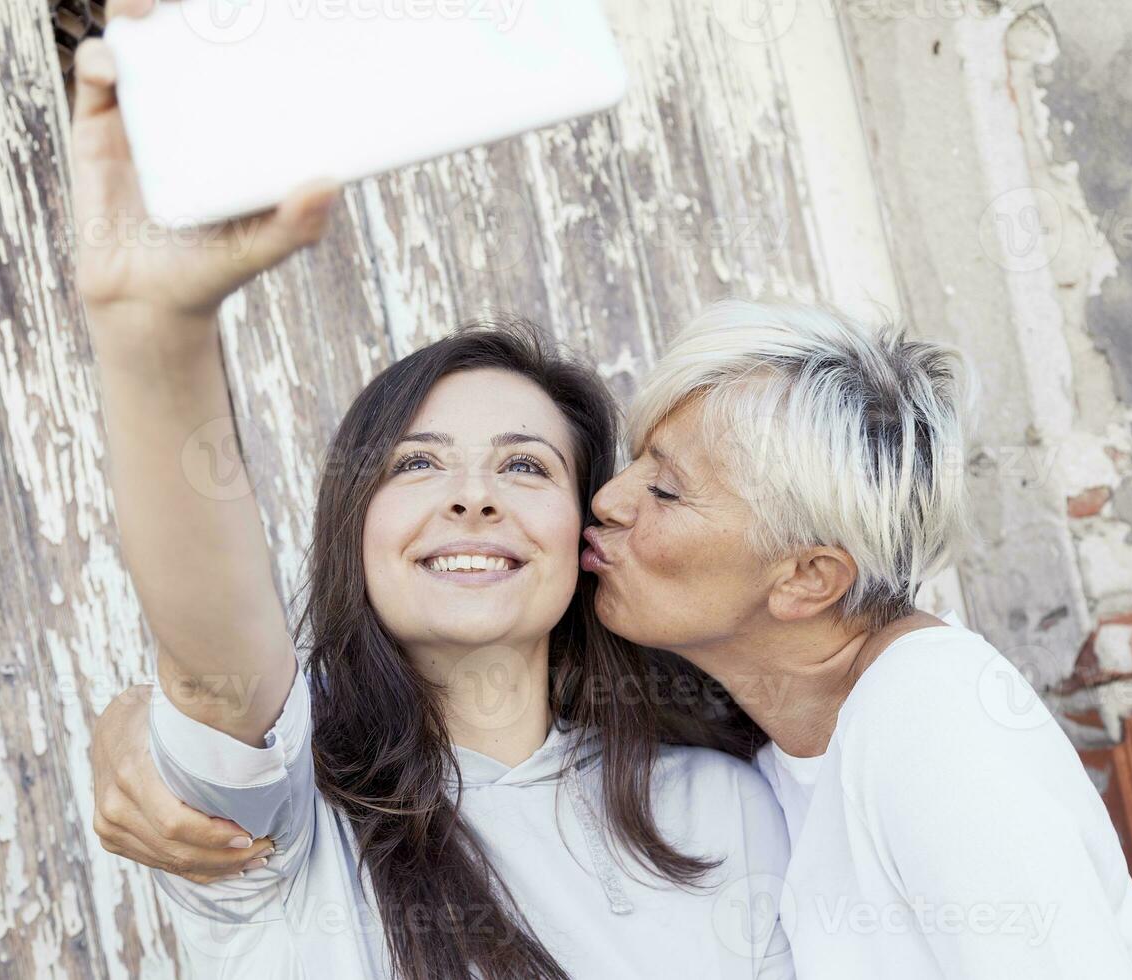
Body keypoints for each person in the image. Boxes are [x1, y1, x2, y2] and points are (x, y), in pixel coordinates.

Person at [71, 6, 792, 978]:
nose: (473, 498)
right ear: (352, 530)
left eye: (526, 465)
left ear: (588, 531)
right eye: (416, 463)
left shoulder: (723, 806)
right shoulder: (284, 820)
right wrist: (151, 327)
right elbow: (212, 668)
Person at [580, 299, 1132, 978]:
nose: (609, 499)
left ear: (806, 577)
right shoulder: (788, 753)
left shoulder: (934, 717)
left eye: (665, 489)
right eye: (635, 461)